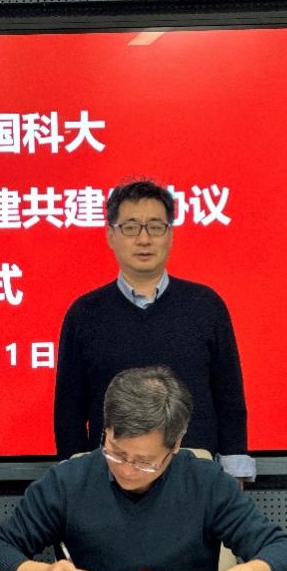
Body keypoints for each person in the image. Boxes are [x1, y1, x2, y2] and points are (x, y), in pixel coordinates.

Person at [0, 366, 287, 571]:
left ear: (175, 445)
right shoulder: (69, 481)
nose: (127, 470)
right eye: (116, 453)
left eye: (144, 462)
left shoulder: (205, 482)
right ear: (105, 431)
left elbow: (284, 552)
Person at [54, 179, 254, 482]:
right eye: (131, 227)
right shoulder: (85, 314)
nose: (144, 239)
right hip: (110, 481)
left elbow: (229, 401)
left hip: (194, 480)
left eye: (156, 227)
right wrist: (76, 482)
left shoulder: (206, 306)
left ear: (170, 235)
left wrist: (233, 478)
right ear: (110, 235)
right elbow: (69, 411)